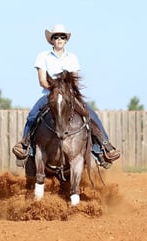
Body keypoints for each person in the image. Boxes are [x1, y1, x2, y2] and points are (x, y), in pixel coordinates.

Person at [12, 24, 120, 168]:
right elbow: (42, 80)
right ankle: (25, 146)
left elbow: (75, 79)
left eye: (62, 37)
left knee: (91, 115)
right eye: (56, 37)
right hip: (50, 94)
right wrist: (57, 89)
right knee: (32, 115)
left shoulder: (72, 57)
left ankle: (104, 148)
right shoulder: (43, 56)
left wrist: (67, 91)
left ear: (66, 40)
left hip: (70, 96)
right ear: (52, 40)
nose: (59, 39)